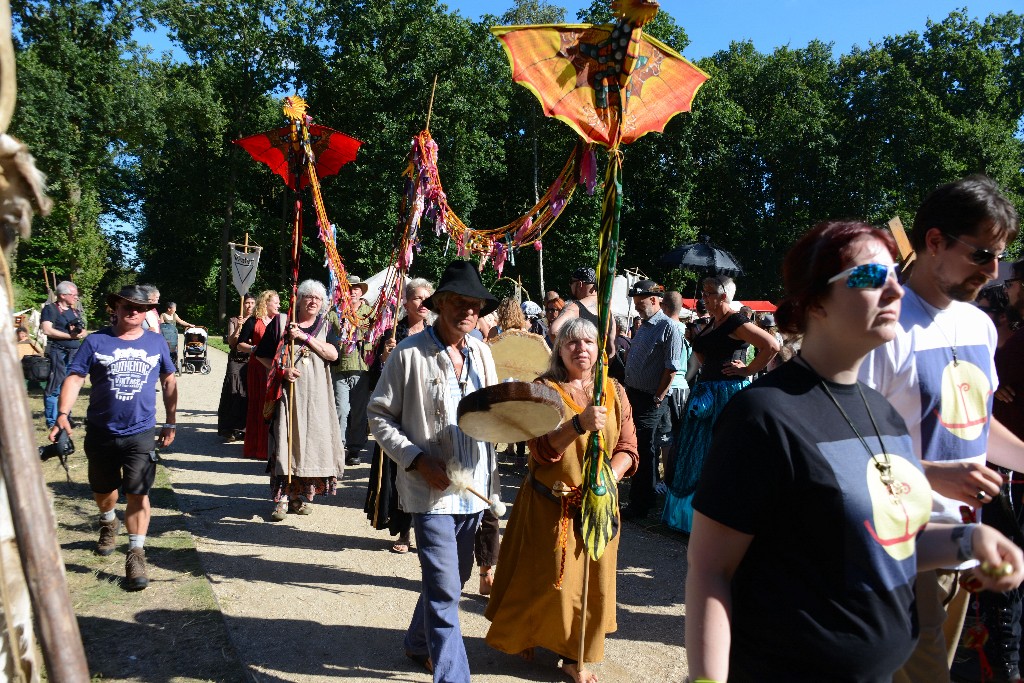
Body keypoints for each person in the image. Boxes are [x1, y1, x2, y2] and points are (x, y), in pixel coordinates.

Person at [685, 220, 1024, 682]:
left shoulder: (882, 412)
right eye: (869, 277)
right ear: (814, 301)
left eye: (894, 278)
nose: (895, 291)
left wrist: (968, 542)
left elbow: (880, 543)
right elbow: (710, 570)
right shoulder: (763, 416)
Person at [859, 175, 1023, 683]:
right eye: (981, 254)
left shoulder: (978, 325)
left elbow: (975, 423)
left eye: (1000, 257)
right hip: (893, 545)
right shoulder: (882, 324)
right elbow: (846, 438)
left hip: (961, 544)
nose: (995, 272)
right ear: (934, 242)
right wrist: (930, 474)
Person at [484, 317, 638, 683]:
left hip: (597, 509)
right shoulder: (545, 389)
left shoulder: (614, 391)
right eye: (572, 342)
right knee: (545, 580)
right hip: (548, 507)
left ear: (601, 349)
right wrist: (578, 425)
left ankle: (573, 657)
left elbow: (628, 448)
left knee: (586, 585)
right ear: (559, 350)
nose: (580, 348)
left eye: (588, 342)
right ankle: (530, 634)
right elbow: (538, 450)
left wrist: (606, 480)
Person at [367, 260, 500, 682]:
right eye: (460, 303)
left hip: (473, 488)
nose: (468, 312)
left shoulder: (481, 351)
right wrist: (417, 459)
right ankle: (453, 676)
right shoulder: (408, 355)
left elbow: (493, 412)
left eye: (475, 306)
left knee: (455, 577)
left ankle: (418, 642)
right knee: (444, 588)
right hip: (430, 492)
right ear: (440, 304)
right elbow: (378, 415)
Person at [48, 285, 177, 591]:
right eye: (127, 305)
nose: (134, 311)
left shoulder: (156, 342)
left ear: (147, 312)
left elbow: (169, 379)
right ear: (115, 308)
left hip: (141, 433)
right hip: (101, 431)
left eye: (140, 307)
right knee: (104, 490)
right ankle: (108, 521)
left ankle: (135, 553)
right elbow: (76, 376)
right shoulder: (96, 341)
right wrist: (62, 414)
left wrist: (171, 422)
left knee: (138, 493)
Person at [662, 274, 779, 533]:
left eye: (709, 292)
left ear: (724, 295)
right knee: (696, 451)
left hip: (726, 394)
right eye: (703, 291)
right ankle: (691, 516)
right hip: (706, 391)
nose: (704, 296)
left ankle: (716, 518)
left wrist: (746, 370)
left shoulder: (736, 321)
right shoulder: (712, 323)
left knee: (719, 449)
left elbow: (771, 346)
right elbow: (701, 353)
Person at [952, 269, 1024, 683]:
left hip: (1004, 476)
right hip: (997, 470)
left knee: (1005, 572)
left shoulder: (1006, 345)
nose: (1001, 276)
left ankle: (1006, 662)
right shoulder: (998, 348)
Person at [255, 280, 344, 520]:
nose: (313, 301)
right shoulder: (282, 323)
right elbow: (261, 355)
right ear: (299, 300)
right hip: (288, 394)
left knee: (310, 445)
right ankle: (282, 499)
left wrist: (303, 337)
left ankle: (297, 497)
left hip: (317, 395)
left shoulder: (326, 325)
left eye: (318, 298)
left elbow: (333, 354)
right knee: (286, 442)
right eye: (308, 297)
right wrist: (282, 370)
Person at [364, 277, 434, 554]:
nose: (423, 302)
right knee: (401, 472)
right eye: (417, 297)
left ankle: (428, 531)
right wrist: (385, 359)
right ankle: (403, 532)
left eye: (427, 297)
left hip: (427, 412)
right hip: (400, 414)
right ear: (406, 302)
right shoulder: (393, 335)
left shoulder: (436, 333)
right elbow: (375, 383)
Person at [619, 279, 682, 521]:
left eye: (640, 302)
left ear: (654, 300)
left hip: (650, 399)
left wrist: (658, 396)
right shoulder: (645, 325)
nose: (636, 307)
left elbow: (672, 368)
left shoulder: (669, 327)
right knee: (637, 445)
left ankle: (641, 505)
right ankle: (640, 498)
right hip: (635, 394)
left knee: (644, 448)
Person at [331, 277, 373, 466]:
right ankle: (339, 447)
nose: (352, 292)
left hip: (363, 368)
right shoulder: (335, 313)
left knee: (359, 411)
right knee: (341, 409)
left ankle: (354, 449)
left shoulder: (370, 313)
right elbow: (326, 335)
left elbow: (380, 335)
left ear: (361, 292)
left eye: (356, 289)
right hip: (339, 367)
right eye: (349, 289)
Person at [238, 290, 280, 460]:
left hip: (275, 368)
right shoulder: (253, 322)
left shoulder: (280, 321)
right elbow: (239, 344)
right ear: (266, 303)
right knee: (259, 406)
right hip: (257, 368)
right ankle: (257, 447)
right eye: (276, 302)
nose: (279, 305)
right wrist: (254, 349)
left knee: (274, 406)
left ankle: (272, 447)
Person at [40, 280, 86, 427]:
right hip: (58, 352)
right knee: (54, 387)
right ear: (63, 295)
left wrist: (81, 332)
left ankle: (66, 418)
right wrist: (70, 336)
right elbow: (47, 330)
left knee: (69, 386)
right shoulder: (50, 309)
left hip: (74, 352)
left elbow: (81, 331)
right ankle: (53, 422)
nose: (76, 297)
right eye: (73, 294)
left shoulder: (74, 311)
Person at [660, 291, 692, 487]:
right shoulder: (688, 330)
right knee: (680, 435)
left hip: (670, 388)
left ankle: (668, 480)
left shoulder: (667, 329)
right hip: (684, 387)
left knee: (667, 436)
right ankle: (678, 475)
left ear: (663, 306)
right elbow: (693, 362)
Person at [217, 293, 256, 441]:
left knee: (247, 392)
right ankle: (229, 427)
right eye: (247, 303)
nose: (249, 306)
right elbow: (232, 342)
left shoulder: (256, 320)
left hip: (250, 359)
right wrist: (238, 329)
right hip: (236, 359)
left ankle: (244, 428)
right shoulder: (234, 320)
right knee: (233, 389)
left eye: (252, 303)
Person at [549, 267, 600, 339]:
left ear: (580, 284)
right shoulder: (608, 309)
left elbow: (554, 332)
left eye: (571, 283)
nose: (570, 286)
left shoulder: (575, 308)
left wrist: (570, 347)